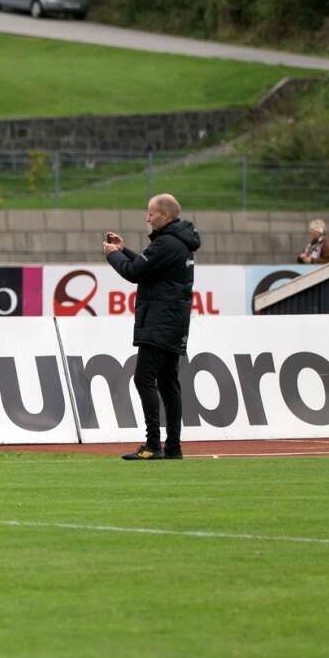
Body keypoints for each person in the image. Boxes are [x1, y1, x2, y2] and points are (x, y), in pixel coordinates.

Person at [104, 193, 200, 461]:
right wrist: (123, 251)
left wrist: (112, 256)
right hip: (174, 321)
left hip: (158, 320)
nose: (147, 218)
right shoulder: (180, 242)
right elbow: (148, 266)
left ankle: (153, 444)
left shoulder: (166, 243)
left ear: (165, 215)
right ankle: (173, 447)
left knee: (143, 379)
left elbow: (134, 272)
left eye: (151, 213)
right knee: (168, 382)